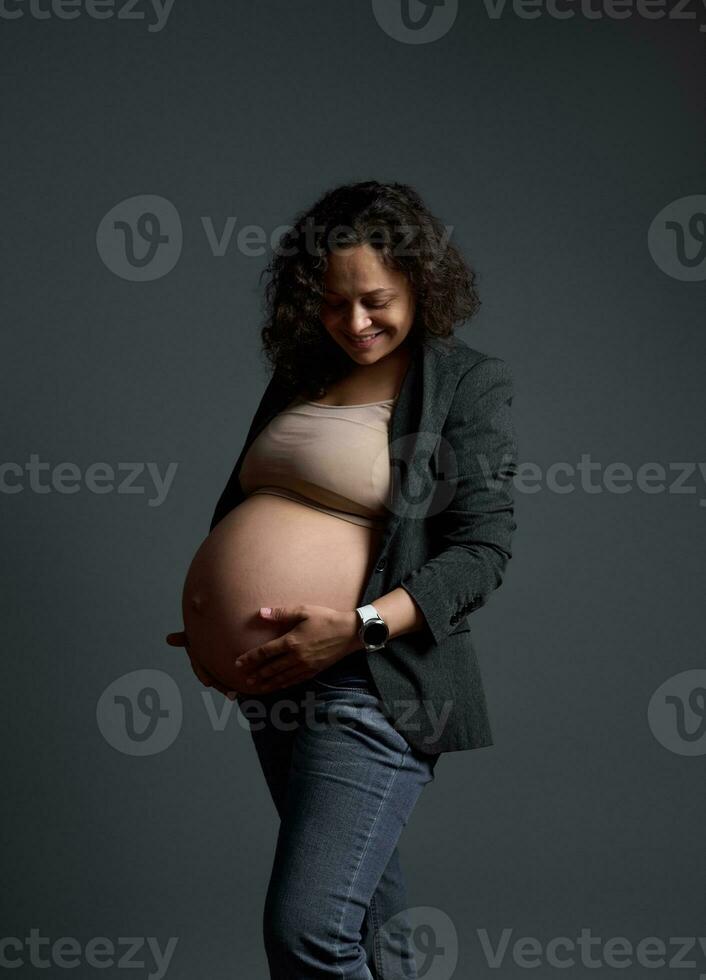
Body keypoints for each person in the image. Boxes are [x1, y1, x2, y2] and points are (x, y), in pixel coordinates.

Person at [167, 179, 518, 979]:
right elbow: (258, 500)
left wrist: (356, 625)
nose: (355, 323)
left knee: (309, 935)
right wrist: (212, 624)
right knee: (373, 934)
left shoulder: (461, 384)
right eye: (332, 304)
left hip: (370, 681)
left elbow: (483, 551)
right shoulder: (301, 378)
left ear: (419, 286)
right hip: (276, 686)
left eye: (375, 300)